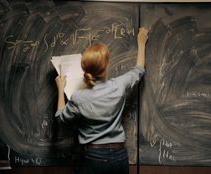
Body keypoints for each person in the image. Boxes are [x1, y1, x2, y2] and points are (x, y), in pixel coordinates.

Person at [55, 27, 148, 174]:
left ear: (84, 69)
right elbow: (139, 70)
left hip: (93, 158)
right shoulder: (119, 85)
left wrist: (61, 89)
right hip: (119, 156)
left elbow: (61, 119)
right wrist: (141, 43)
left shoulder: (79, 97)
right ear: (105, 67)